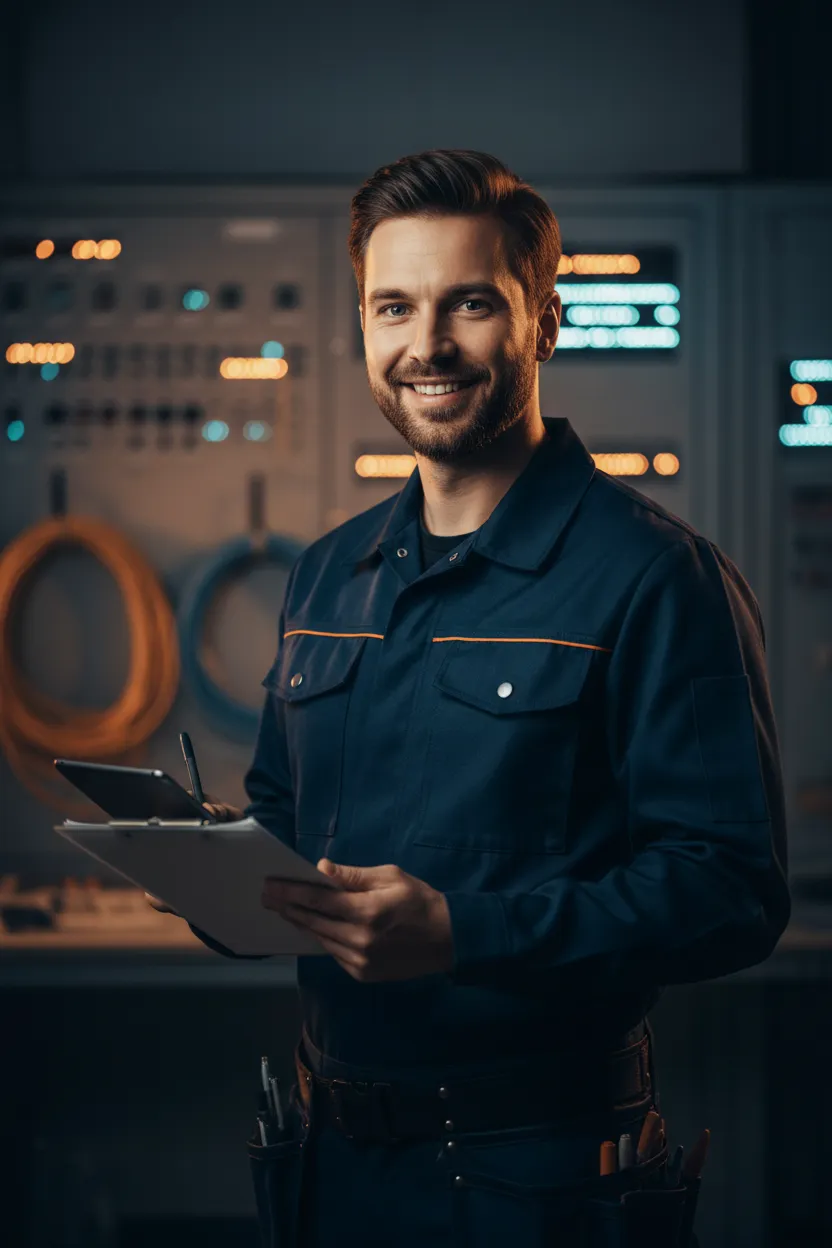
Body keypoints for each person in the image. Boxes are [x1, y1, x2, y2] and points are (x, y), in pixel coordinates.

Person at [183, 150, 790, 1246]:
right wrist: (208, 877)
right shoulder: (327, 576)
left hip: (541, 1182)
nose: (427, 344)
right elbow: (280, 818)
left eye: (469, 303)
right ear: (364, 326)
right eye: (394, 307)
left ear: (543, 323)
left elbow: (731, 893)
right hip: (330, 1173)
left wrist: (465, 934)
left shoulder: (657, 578)